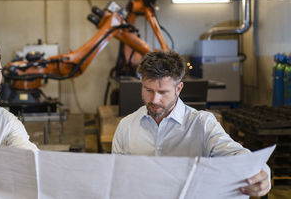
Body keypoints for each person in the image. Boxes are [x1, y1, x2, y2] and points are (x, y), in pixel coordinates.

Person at [112, 50, 270, 197]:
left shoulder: (202, 124)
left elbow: (236, 154)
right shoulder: (127, 126)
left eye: (163, 92)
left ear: (178, 88)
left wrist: (262, 172)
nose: (154, 100)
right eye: (148, 90)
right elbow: (116, 176)